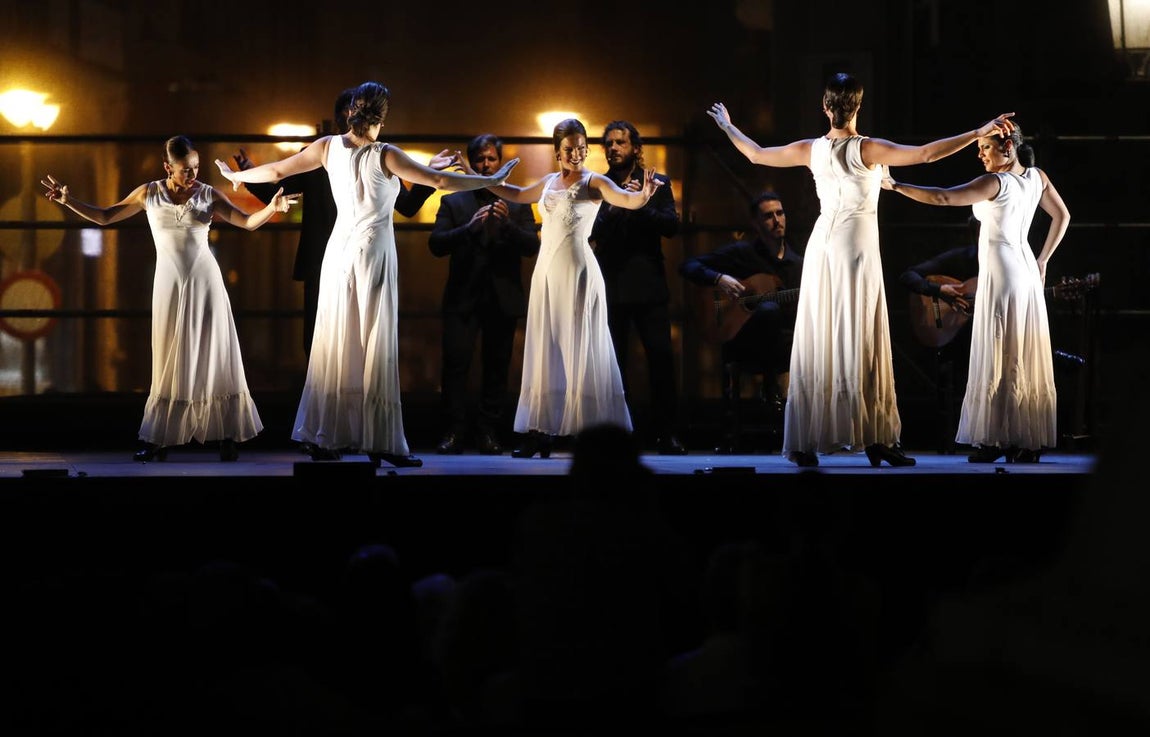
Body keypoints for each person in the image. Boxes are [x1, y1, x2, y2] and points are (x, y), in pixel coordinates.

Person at [707, 72, 1015, 467]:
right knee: (860, 335)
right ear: (858, 106)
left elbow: (755, 153)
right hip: (853, 249)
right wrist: (977, 132)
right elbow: (925, 155)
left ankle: (816, 440)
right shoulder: (868, 148)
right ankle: (873, 437)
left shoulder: (812, 148)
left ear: (825, 107)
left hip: (824, 246)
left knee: (822, 335)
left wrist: (728, 125)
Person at [215, 81, 518, 469]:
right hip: (372, 254)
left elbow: (276, 169)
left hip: (339, 253)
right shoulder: (385, 153)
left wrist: (239, 176)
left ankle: (325, 435)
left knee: (336, 344)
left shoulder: (327, 147)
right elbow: (441, 182)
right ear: (382, 116)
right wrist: (490, 181)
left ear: (351, 113)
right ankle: (381, 441)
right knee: (374, 345)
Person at [40, 135, 298, 462]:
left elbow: (246, 222)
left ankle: (227, 434)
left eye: (196, 167)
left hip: (205, 282)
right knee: (167, 357)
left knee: (213, 353)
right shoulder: (148, 193)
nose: (192, 174)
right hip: (168, 284)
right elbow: (106, 216)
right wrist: (69, 201)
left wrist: (271, 208)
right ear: (168, 167)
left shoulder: (208, 194)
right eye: (185, 169)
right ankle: (159, 437)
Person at [882, 123, 1070, 463]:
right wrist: (1042, 260)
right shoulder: (1036, 177)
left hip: (1003, 274)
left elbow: (943, 197)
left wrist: (896, 186)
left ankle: (996, 440)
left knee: (999, 351)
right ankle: (1025, 440)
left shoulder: (995, 182)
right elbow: (1062, 215)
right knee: (1020, 353)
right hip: (1026, 271)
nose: (980, 154)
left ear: (1007, 147)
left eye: (985, 147)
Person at [234, 87, 458, 358]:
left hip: (365, 261)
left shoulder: (379, 158)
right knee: (318, 344)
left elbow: (408, 206)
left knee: (360, 343)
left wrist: (429, 173)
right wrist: (249, 176)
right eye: (355, 113)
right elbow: (276, 190)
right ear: (346, 116)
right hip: (322, 261)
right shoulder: (324, 153)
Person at [484, 118, 659, 459]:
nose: (576, 154)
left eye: (581, 148)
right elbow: (517, 194)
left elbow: (627, 200)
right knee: (545, 348)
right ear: (557, 152)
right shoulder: (549, 181)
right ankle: (540, 431)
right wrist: (483, 180)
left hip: (578, 273)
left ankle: (587, 433)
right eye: (569, 149)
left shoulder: (595, 181)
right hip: (546, 274)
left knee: (579, 348)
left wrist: (643, 195)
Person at [427, 133, 541, 456]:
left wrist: (507, 225)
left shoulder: (518, 200)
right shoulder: (454, 201)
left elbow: (532, 246)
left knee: (497, 369)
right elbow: (436, 244)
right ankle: (453, 431)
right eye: (480, 159)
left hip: (502, 298)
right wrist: (469, 229)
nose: (486, 164)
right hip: (463, 298)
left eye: (492, 159)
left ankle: (488, 432)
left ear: (500, 162)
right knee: (455, 366)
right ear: (471, 162)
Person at [680, 191, 803, 452]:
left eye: (780, 213)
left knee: (787, 324)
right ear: (756, 224)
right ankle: (771, 387)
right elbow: (688, 266)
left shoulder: (798, 264)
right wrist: (719, 278)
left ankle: (800, 422)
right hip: (743, 342)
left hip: (785, 346)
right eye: (768, 216)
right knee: (768, 310)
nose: (777, 220)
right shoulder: (742, 254)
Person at [589, 121, 685, 455]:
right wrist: (617, 205)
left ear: (635, 148)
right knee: (614, 364)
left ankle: (667, 433)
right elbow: (593, 234)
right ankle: (619, 436)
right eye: (609, 143)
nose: (614, 148)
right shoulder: (598, 185)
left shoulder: (657, 183)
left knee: (660, 359)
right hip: (612, 285)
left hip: (648, 285)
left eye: (620, 142)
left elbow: (671, 226)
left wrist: (640, 201)